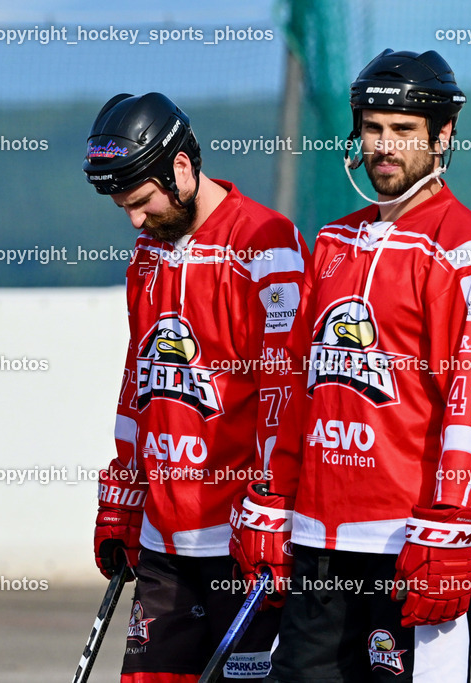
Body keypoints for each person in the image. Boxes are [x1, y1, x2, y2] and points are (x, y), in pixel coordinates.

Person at [229, 50, 471, 682]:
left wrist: (451, 526)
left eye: (403, 130)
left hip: (417, 541)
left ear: (443, 136)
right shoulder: (333, 241)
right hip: (320, 537)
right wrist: (272, 496)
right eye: (373, 127)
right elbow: (298, 387)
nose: (384, 146)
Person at [83, 92, 311, 682]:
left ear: (181, 167)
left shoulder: (266, 239)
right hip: (164, 539)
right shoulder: (147, 254)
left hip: (241, 539)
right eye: (122, 205)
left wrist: (271, 498)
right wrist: (125, 486)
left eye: (141, 201)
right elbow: (139, 379)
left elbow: (284, 386)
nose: (134, 219)